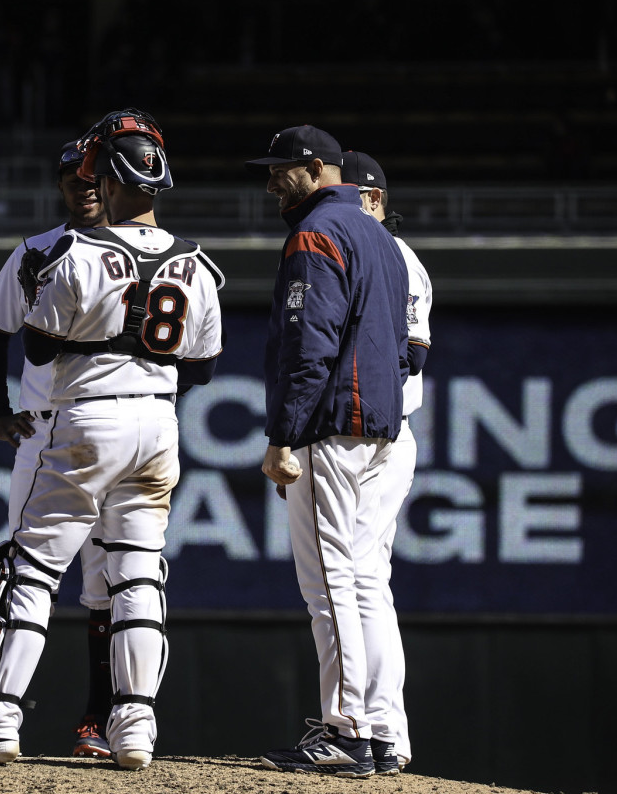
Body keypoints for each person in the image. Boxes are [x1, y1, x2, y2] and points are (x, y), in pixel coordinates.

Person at [0, 108, 224, 770]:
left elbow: (35, 345)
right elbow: (204, 367)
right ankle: (135, 730)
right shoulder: (197, 262)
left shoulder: (72, 253)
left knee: (32, 571)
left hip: (86, 418)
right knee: (138, 575)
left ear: (112, 178)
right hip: (159, 421)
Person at [245, 125, 409, 778]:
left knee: (330, 585)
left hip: (329, 425)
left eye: (279, 170)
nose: (269, 183)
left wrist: (284, 434)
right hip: (375, 428)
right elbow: (402, 350)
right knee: (359, 584)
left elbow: (307, 345)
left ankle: (347, 730)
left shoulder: (317, 233)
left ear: (316, 169)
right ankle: (372, 729)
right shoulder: (382, 237)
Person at [0, 140, 113, 758]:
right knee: (24, 572)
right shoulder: (34, 251)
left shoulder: (146, 250)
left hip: (112, 429)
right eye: (71, 175)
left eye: (93, 175)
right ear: (59, 184)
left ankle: (99, 722)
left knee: (113, 582)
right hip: (44, 429)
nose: (82, 185)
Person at [340, 150, 434, 774]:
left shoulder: (389, 255)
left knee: (356, 581)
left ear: (373, 198)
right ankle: (388, 733)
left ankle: (368, 729)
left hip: (374, 434)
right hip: (388, 434)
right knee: (370, 581)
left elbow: (411, 357)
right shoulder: (398, 256)